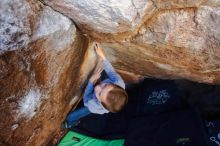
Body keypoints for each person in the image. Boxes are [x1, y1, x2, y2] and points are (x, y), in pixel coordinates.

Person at [62, 43, 128, 129]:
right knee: (105, 72)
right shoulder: (119, 82)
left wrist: (91, 81)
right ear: (114, 84)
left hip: (91, 105)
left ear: (100, 101)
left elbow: (86, 99)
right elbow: (111, 72)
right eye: (105, 85)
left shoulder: (94, 106)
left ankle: (70, 123)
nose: (98, 87)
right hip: (100, 99)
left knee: (71, 116)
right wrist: (103, 56)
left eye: (100, 93)